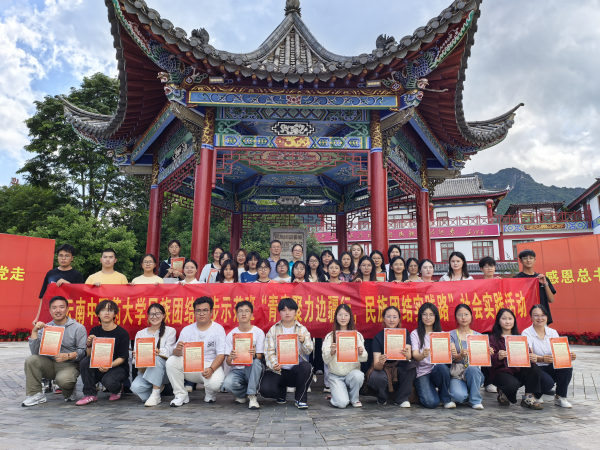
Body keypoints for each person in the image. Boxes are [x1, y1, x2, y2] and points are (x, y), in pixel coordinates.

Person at [22, 296, 87, 406]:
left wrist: (68, 356)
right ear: (50, 310)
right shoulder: (45, 327)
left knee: (65, 381)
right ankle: (35, 394)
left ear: (67, 309)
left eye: (61, 307)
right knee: (31, 360)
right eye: (54, 307)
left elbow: (83, 352)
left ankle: (69, 390)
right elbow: (35, 352)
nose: (58, 310)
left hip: (69, 365)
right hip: (50, 364)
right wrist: (35, 331)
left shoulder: (78, 328)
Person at [166, 297, 226, 406]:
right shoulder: (187, 330)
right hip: (191, 366)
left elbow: (221, 354)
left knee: (214, 384)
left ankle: (210, 393)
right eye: (198, 311)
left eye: (205, 310)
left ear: (211, 312)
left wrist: (211, 369)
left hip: (210, 366)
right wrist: (178, 350)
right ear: (194, 312)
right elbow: (176, 352)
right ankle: (181, 395)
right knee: (171, 361)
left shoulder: (218, 329)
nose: (201, 314)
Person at [259, 298, 314, 409]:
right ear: (279, 312)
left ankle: (300, 398)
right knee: (265, 390)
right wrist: (274, 364)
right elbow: (269, 351)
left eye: (290, 310)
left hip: (295, 371)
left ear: (296, 312)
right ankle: (281, 393)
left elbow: (309, 351)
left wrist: (304, 341)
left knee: (306, 367)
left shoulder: (302, 330)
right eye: (284, 310)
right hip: (278, 370)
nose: (287, 313)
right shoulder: (273, 330)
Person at [76, 300, 131, 405]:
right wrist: (89, 344)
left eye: (110, 310)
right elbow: (89, 355)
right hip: (99, 366)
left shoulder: (122, 333)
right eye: (103, 310)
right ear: (98, 314)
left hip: (117, 368)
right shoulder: (95, 331)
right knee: (85, 361)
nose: (106, 313)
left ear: (115, 314)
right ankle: (90, 394)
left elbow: (122, 358)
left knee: (109, 382)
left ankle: (118, 388)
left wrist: (109, 365)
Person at [522, 304, 576, 408]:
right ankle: (535, 395)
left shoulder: (553, 332)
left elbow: (559, 351)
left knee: (566, 366)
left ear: (547, 317)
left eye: (543, 315)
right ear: (531, 317)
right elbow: (529, 355)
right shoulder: (526, 333)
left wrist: (569, 356)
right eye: (536, 315)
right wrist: (542, 359)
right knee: (548, 383)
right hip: (535, 368)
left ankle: (560, 397)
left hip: (550, 366)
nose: (540, 318)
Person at [489, 308, 543, 409]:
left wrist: (532, 358)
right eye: (504, 319)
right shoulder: (493, 338)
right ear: (498, 321)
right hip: (500, 373)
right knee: (512, 385)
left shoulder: (519, 337)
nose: (507, 321)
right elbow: (489, 360)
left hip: (516, 371)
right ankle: (503, 390)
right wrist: (497, 357)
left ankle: (528, 397)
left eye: (510, 319)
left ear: (514, 321)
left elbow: (528, 355)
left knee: (535, 369)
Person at [364, 306, 415, 407]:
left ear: (399, 319)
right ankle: (382, 397)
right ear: (383, 319)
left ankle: (401, 399)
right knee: (376, 377)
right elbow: (377, 366)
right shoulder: (378, 337)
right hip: (384, 367)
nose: (392, 320)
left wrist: (407, 354)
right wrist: (380, 362)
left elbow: (409, 356)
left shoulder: (405, 333)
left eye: (395, 317)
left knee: (411, 367)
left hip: (399, 365)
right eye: (388, 316)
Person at [130, 303, 177, 406]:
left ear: (163, 315)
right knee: (135, 387)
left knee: (155, 357)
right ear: (148, 316)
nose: (154, 317)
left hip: (165, 371)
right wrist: (137, 358)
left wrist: (158, 352)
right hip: (146, 370)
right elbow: (138, 366)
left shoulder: (170, 331)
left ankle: (155, 394)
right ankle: (157, 390)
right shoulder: (140, 333)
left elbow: (170, 352)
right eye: (151, 314)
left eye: (157, 314)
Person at [411, 302, 456, 409]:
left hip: (437, 370)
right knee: (431, 403)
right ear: (420, 316)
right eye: (425, 314)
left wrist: (453, 354)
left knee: (442, 368)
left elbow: (448, 358)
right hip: (422, 372)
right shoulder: (415, 334)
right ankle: (429, 390)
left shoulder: (442, 334)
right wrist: (423, 355)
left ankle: (445, 399)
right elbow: (415, 356)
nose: (428, 317)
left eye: (431, 315)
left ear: (436, 317)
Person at [222, 301, 265, 409]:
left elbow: (260, 356)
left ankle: (252, 396)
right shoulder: (231, 335)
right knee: (227, 384)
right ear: (236, 315)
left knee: (255, 362)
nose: (243, 314)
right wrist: (231, 357)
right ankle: (243, 394)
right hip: (237, 370)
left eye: (247, 311)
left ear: (251, 314)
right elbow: (228, 362)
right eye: (240, 311)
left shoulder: (259, 332)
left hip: (252, 369)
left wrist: (254, 355)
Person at [322, 304, 367, 408]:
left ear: (350, 317)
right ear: (336, 316)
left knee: (358, 376)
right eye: (340, 315)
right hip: (336, 376)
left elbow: (365, 357)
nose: (343, 318)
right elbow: (325, 359)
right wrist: (331, 352)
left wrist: (361, 353)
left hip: (351, 374)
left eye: (346, 315)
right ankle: (336, 396)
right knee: (342, 403)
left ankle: (354, 399)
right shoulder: (330, 336)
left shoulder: (357, 335)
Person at [449, 304, 492, 410]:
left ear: (471, 316)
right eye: (460, 315)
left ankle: (475, 400)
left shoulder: (478, 336)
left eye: (466, 314)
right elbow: (454, 357)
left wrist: (487, 353)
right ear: (456, 317)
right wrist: (460, 355)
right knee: (459, 397)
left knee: (473, 368)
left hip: (473, 373)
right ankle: (467, 394)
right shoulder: (451, 335)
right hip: (457, 373)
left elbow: (482, 360)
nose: (463, 317)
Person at [36, 244, 84, 324]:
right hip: (51, 315)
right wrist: (38, 317)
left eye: (67, 256)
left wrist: (69, 285)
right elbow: (43, 298)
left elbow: (81, 298)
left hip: (70, 316)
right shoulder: (50, 274)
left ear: (72, 258)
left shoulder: (77, 275)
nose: (63, 258)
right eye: (61, 255)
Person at [514, 249, 556, 325]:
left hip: (541, 318)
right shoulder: (516, 279)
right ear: (520, 261)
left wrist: (545, 284)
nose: (528, 260)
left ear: (534, 260)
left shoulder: (542, 278)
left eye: (531, 258)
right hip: (524, 318)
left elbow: (551, 299)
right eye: (525, 258)